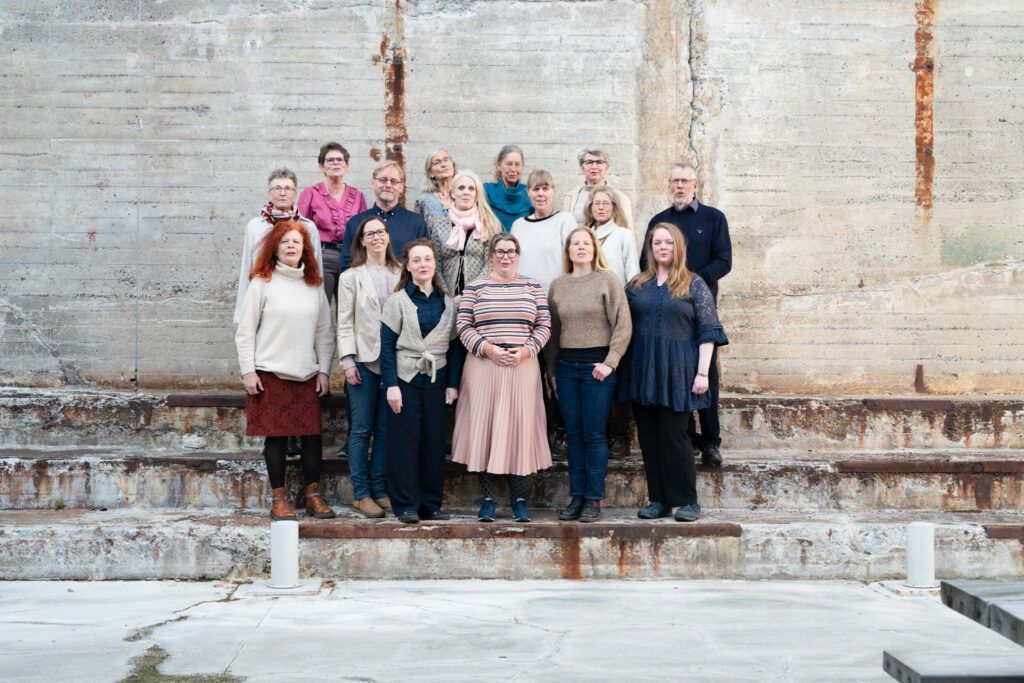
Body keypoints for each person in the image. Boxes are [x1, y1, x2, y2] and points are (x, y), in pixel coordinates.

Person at [617, 223, 728, 523]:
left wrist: (702, 374)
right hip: (642, 370)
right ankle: (659, 500)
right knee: (649, 438)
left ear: (678, 247)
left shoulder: (694, 284)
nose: (662, 247)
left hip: (678, 372)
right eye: (657, 243)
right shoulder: (636, 285)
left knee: (675, 437)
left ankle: (687, 500)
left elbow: (708, 332)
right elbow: (621, 325)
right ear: (650, 248)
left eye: (668, 242)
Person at [235, 220, 336, 521]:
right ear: (274, 248)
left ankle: (313, 496)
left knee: (312, 437)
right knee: (276, 438)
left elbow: (325, 333)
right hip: (270, 372)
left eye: (296, 242)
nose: (291, 246)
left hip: (306, 373)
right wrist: (248, 371)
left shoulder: (314, 285)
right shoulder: (261, 282)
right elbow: (245, 331)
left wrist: (324, 371)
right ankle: (279, 499)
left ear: (305, 248)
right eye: (285, 241)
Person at [452, 233, 552, 523]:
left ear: (518, 255)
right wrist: (489, 349)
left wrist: (526, 351)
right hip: (484, 366)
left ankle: (519, 499)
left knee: (520, 430)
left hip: (523, 366)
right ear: (491, 255)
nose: (505, 256)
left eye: (510, 251)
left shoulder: (532, 286)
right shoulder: (475, 286)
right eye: (500, 251)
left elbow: (544, 324)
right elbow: (463, 325)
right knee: (485, 429)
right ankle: (488, 499)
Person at [640, 162, 732, 467]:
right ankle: (688, 438)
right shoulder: (659, 221)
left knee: (707, 375)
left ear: (695, 184)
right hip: (668, 313)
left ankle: (711, 442)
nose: (679, 186)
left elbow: (724, 260)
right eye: (674, 181)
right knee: (676, 373)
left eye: (685, 181)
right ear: (669, 185)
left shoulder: (713, 218)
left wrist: (692, 283)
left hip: (700, 309)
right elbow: (646, 262)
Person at [547, 228, 631, 522]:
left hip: (598, 368)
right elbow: (553, 332)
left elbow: (623, 324)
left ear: (595, 249)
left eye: (586, 243)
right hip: (567, 368)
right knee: (574, 434)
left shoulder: (607, 280)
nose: (581, 247)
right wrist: (552, 371)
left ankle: (593, 499)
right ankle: (577, 496)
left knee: (595, 434)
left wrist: (610, 362)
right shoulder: (558, 285)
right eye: (575, 244)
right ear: (568, 251)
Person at [380, 239, 463, 524]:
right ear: (408, 266)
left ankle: (430, 504)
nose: (423, 264)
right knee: (404, 444)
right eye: (416, 260)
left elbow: (454, 348)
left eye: (427, 259)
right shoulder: (397, 301)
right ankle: (406, 505)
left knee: (433, 443)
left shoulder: (448, 303)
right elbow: (386, 347)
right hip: (405, 379)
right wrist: (391, 385)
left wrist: (452, 384)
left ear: (435, 264)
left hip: (437, 379)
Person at [335, 216, 402, 518]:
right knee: (362, 429)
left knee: (386, 431)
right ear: (362, 241)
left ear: (388, 236)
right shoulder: (351, 277)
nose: (376, 237)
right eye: (369, 233)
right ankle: (361, 494)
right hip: (363, 361)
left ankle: (379, 488)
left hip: (395, 363)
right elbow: (344, 321)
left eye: (380, 232)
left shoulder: (401, 272)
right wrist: (347, 360)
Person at [234, 168, 322, 325]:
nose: (282, 193)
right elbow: (248, 266)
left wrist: (318, 309)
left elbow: (315, 267)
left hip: (298, 294)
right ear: (269, 193)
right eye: (277, 188)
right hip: (264, 291)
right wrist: (242, 313)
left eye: (288, 188)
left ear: (294, 193)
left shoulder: (308, 227)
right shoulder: (255, 226)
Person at [297, 142, 368, 304]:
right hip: (322, 257)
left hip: (351, 258)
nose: (335, 163)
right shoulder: (310, 194)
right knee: (320, 306)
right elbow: (299, 230)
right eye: (330, 160)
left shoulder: (357, 196)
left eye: (339, 160)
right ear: (322, 166)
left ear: (347, 165)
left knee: (349, 309)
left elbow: (364, 230)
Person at [426, 170, 503, 297]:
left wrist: (469, 295)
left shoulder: (489, 225)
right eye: (461, 188)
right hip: (446, 298)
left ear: (476, 194)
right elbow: (436, 266)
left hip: (481, 296)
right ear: (453, 193)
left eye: (471, 189)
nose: (466, 192)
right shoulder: (439, 226)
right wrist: (449, 297)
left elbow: (491, 264)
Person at [340, 161, 429, 271]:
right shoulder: (355, 223)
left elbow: (425, 261)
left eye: (394, 181)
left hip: (404, 281)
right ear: (373, 183)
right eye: (383, 180)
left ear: (401, 187)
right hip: (365, 282)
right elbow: (346, 264)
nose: (388, 185)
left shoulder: (416, 223)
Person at [510, 169, 578, 294]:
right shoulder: (518, 225)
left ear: (553, 191)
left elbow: (575, 261)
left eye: (545, 189)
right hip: (523, 297)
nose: (540, 194)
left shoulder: (565, 220)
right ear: (528, 192)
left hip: (555, 295)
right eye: (535, 189)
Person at [581, 184, 640, 284]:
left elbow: (633, 274)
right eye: (597, 203)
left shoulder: (623, 235)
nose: (601, 207)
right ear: (590, 207)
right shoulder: (584, 236)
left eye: (606, 203)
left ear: (614, 208)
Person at [562, 148, 634, 229]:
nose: (594, 166)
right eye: (589, 162)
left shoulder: (619, 197)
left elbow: (628, 230)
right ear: (582, 168)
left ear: (606, 168)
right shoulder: (571, 197)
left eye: (599, 162)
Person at [483, 145, 532, 231]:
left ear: (522, 167)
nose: (513, 169)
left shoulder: (530, 193)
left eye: (517, 164)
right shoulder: (487, 191)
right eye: (509, 164)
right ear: (499, 165)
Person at [414, 148, 457, 222]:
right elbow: (417, 226)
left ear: (453, 165)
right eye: (437, 163)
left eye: (446, 160)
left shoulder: (465, 192)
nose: (443, 165)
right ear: (430, 173)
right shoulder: (424, 200)